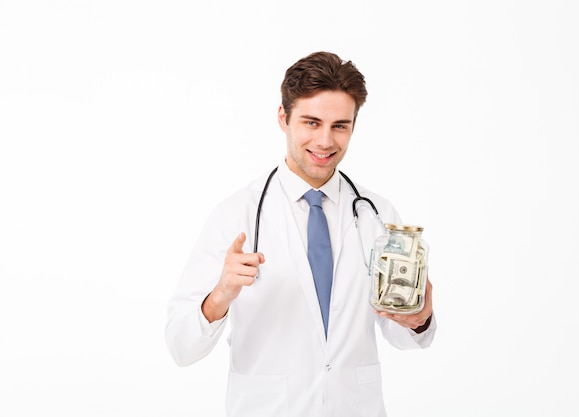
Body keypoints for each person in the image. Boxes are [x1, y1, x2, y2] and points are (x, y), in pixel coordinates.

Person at [165, 51, 436, 417]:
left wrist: (419, 318)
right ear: (284, 118)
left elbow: (404, 338)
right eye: (311, 122)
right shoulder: (236, 215)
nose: (325, 141)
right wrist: (221, 296)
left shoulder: (378, 216)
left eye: (340, 125)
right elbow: (181, 346)